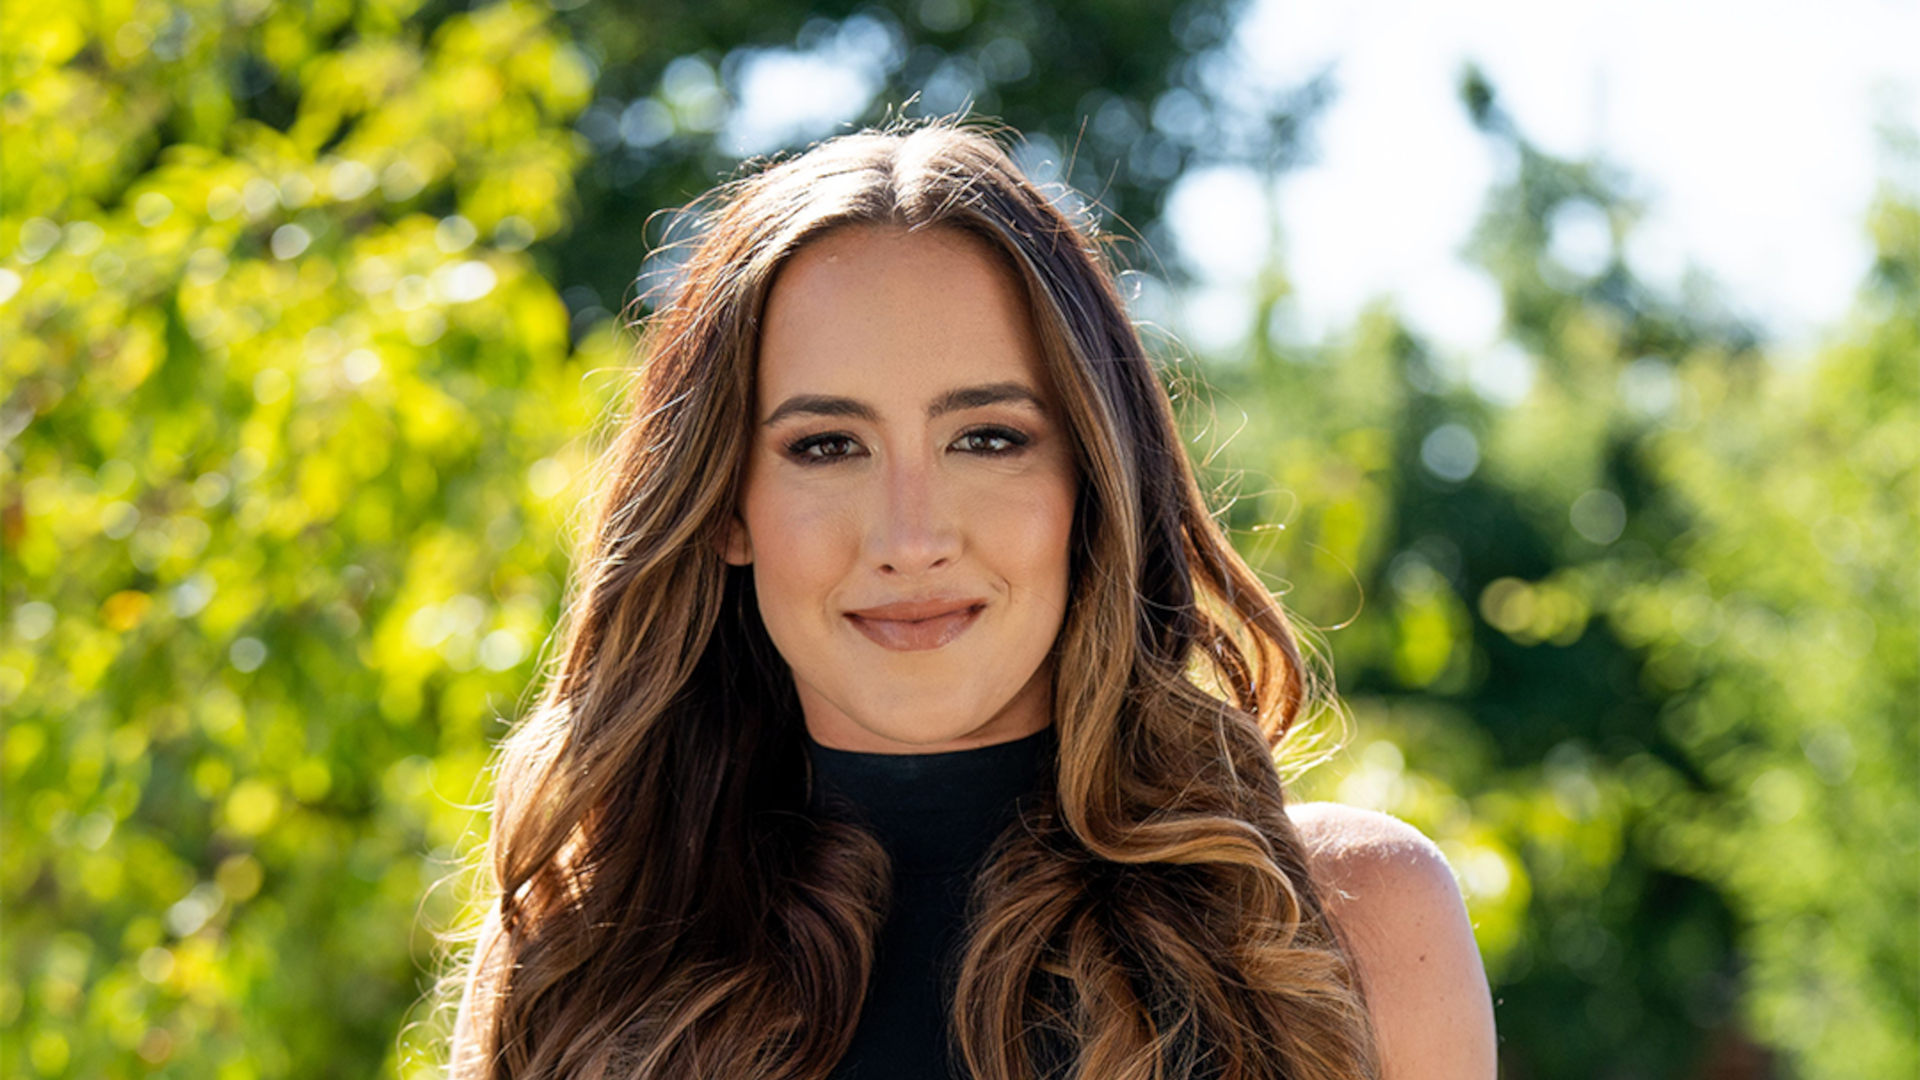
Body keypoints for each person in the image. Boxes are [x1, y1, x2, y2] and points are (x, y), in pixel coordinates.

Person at [445, 121, 1495, 1080]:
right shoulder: (574, 960)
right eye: (827, 446)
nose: (912, 540)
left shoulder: (1349, 926)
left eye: (987, 439)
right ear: (727, 506)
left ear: (1091, 480)